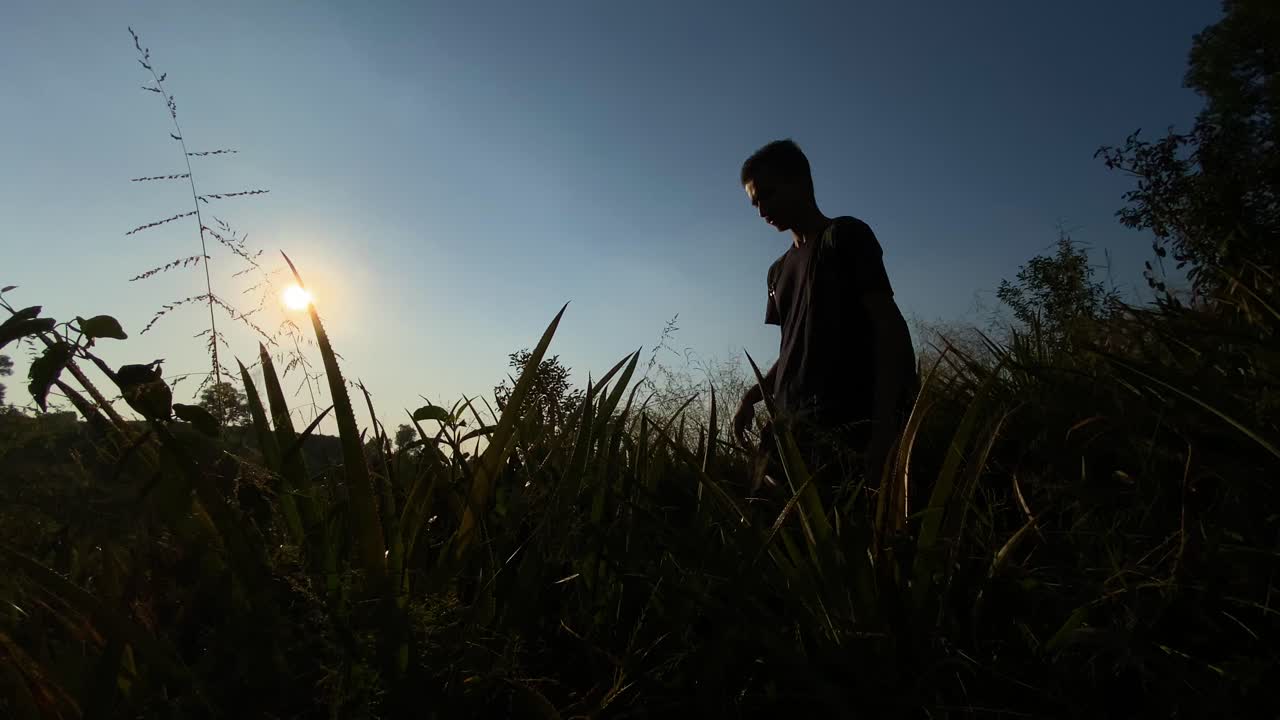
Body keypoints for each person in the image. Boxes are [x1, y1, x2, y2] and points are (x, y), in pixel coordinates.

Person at [731, 139, 917, 499]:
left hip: (845, 429)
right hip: (789, 433)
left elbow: (889, 327)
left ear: (800, 181)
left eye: (767, 194)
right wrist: (752, 396)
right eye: (755, 202)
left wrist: (886, 429)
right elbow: (792, 351)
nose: (761, 210)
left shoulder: (845, 236)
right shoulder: (777, 272)